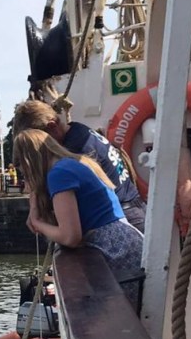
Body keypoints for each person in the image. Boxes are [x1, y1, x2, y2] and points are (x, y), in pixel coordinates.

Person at [13, 129, 143, 305]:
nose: (25, 177)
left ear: (28, 161)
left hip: (115, 250)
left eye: (23, 171)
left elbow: (70, 236)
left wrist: (37, 223)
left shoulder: (59, 174)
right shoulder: (78, 162)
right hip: (126, 241)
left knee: (117, 318)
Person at [13, 99, 146, 233]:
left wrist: (36, 215)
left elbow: (70, 234)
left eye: (36, 142)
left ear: (52, 126)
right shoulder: (79, 130)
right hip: (132, 210)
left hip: (125, 218)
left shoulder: (75, 152)